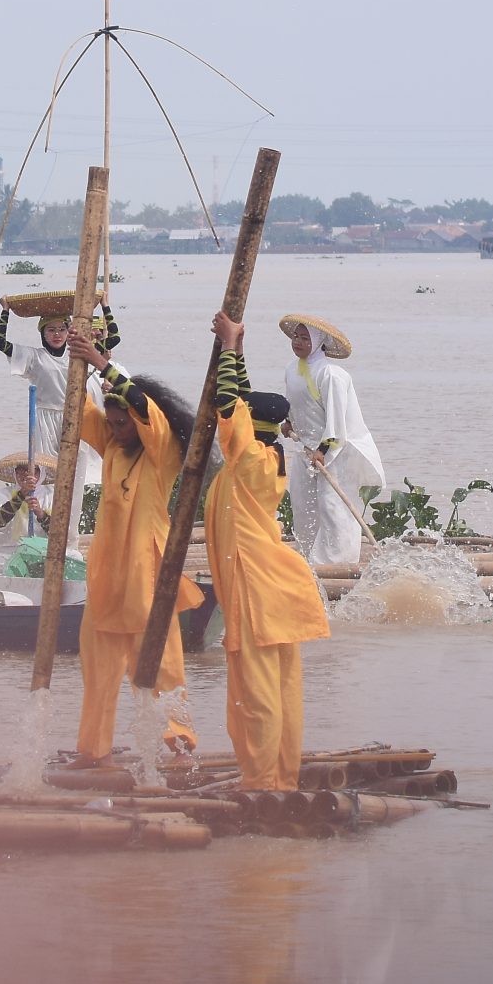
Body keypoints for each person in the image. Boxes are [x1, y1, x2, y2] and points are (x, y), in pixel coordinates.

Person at [63, 324, 203, 765]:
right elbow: (78, 411)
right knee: (98, 667)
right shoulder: (114, 448)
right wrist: (76, 359)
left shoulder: (163, 451)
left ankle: (177, 742)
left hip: (148, 570)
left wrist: (104, 362)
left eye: (124, 423)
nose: (118, 429)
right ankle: (93, 749)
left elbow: (143, 409)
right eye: (113, 422)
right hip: (107, 575)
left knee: (161, 662)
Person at [208, 313, 331, 791]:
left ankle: (262, 783)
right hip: (276, 585)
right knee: (282, 690)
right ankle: (282, 776)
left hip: (258, 590)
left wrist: (231, 346)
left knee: (256, 695)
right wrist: (234, 346)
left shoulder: (246, 460)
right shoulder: (266, 454)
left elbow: (226, 401)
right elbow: (236, 401)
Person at [279, 313, 384, 567]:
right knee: (303, 504)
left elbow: (337, 420)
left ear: (317, 344)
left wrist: (323, 450)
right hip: (306, 448)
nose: (298, 342)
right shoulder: (292, 370)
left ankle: (338, 563)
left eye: (305, 338)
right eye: (296, 336)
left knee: (333, 506)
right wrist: (290, 422)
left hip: (336, 449)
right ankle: (309, 559)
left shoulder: (332, 375)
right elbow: (297, 404)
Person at [0, 299, 111, 500]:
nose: (57, 334)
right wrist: (5, 311)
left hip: (74, 415)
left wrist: (105, 306)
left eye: (61, 329)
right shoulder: (33, 356)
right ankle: (45, 509)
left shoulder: (77, 354)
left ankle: (78, 505)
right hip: (45, 417)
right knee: (46, 468)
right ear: (42, 334)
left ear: (68, 332)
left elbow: (113, 340)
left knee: (79, 463)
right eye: (51, 330)